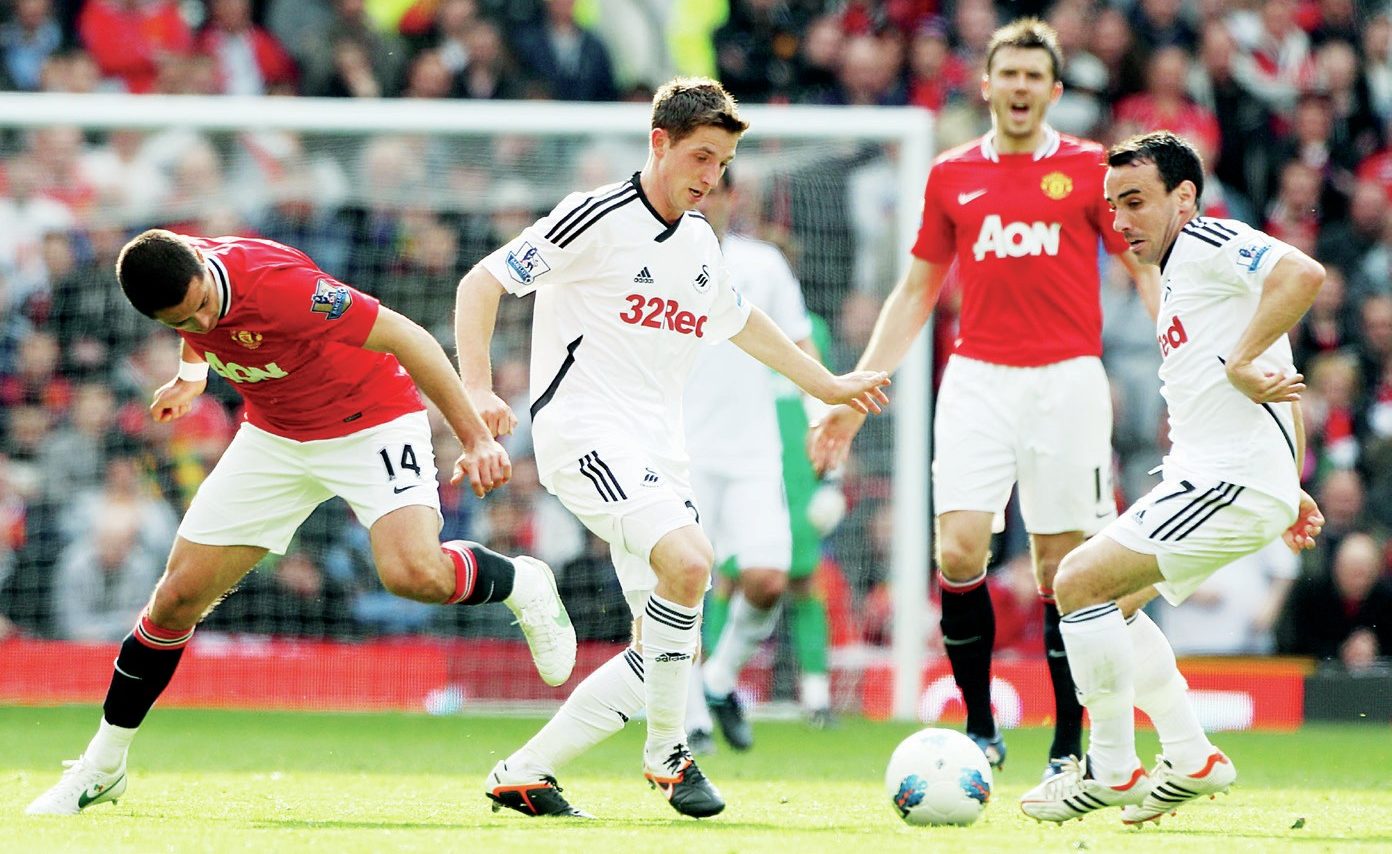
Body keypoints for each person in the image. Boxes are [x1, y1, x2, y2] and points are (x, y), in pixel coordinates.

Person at [24, 229, 577, 816]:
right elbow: (196, 322)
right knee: (175, 600)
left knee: (415, 575)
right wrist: (193, 376)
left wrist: (474, 437)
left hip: (371, 421)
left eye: (204, 304)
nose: (202, 320)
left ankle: (519, 581)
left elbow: (408, 337)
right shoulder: (178, 281)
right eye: (183, 321)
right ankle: (102, 767)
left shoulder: (280, 287)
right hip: (275, 437)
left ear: (204, 266)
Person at [454, 77, 890, 820]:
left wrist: (827, 385)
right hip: (586, 432)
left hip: (659, 451)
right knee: (691, 562)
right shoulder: (595, 215)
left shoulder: (697, 241)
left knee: (664, 647)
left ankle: (524, 772)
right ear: (659, 143)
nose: (711, 177)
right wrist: (477, 390)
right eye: (701, 157)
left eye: (722, 163)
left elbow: (741, 320)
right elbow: (480, 283)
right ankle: (667, 755)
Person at [809, 17, 1160, 776]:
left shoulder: (1090, 169)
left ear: (1054, 91)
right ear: (988, 85)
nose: (1021, 87)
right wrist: (853, 390)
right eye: (1010, 74)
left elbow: (1142, 266)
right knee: (960, 547)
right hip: (977, 378)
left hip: (1067, 380)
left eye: (1035, 76)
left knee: (1063, 568)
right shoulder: (951, 173)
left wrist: (1184, 351)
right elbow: (915, 292)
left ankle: (1068, 743)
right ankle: (978, 725)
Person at [1019, 130, 1326, 823]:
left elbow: (1303, 275)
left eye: (1135, 202)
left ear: (1184, 198)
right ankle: (1191, 756)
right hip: (1226, 477)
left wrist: (1244, 366)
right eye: (1113, 205)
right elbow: (1278, 370)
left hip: (1228, 481)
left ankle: (1112, 767)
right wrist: (1292, 481)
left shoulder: (1210, 242)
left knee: (1076, 582)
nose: (1121, 220)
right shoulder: (1179, 272)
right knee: (1115, 605)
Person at [680, 173, 839, 754]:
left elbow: (801, 342)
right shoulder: (654, 261)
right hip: (682, 454)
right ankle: (692, 721)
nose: (701, 203)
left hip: (754, 453)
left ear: (731, 199)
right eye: (692, 191)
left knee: (769, 579)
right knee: (683, 587)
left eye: (712, 191)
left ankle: (719, 681)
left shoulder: (763, 265)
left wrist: (824, 412)